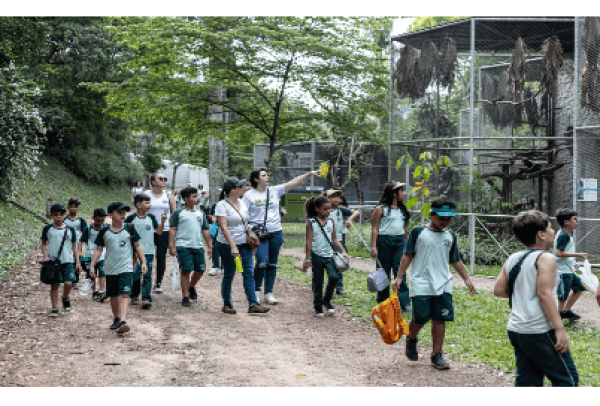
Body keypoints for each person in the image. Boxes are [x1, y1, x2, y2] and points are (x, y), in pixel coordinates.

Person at [494, 210, 578, 387]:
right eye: (549, 227)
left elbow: (499, 291)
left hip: (517, 330)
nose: (553, 231)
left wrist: (525, 291)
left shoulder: (513, 258)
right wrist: (559, 328)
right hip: (540, 330)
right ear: (540, 234)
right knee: (567, 379)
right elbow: (544, 293)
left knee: (528, 381)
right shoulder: (546, 257)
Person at [391, 197, 476, 370]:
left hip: (443, 283)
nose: (445, 222)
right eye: (441, 218)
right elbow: (407, 255)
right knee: (421, 317)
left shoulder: (450, 236)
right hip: (421, 282)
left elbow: (455, 260)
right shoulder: (417, 232)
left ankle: (437, 355)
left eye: (448, 219)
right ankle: (412, 337)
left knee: (440, 318)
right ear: (431, 214)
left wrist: (467, 279)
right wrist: (399, 277)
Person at [244, 168, 321, 305]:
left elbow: (293, 182)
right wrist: (248, 231)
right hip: (258, 233)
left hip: (275, 232)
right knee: (261, 262)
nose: (267, 177)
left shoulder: (274, 190)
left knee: (272, 264)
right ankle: (255, 292)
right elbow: (243, 215)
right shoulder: (249, 195)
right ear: (256, 179)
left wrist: (309, 174)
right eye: (263, 175)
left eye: (267, 175)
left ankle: (268, 293)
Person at [90, 201, 147, 335]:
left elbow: (138, 246)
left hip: (126, 268)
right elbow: (98, 249)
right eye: (119, 212)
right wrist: (92, 265)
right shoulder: (104, 231)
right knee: (113, 295)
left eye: (124, 213)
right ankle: (116, 318)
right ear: (110, 214)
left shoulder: (129, 229)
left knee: (124, 294)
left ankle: (123, 321)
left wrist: (143, 262)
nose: (122, 215)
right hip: (110, 268)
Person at [215, 177, 270, 314]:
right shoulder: (222, 205)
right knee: (229, 273)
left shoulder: (242, 203)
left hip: (244, 243)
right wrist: (233, 246)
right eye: (240, 186)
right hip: (227, 245)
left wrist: (252, 237)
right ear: (233, 190)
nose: (244, 187)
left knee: (248, 272)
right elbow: (223, 227)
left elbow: (245, 223)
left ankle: (253, 304)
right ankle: (227, 303)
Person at [303, 196, 349, 317]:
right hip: (316, 255)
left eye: (329, 210)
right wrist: (308, 259)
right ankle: (318, 306)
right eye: (325, 209)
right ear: (317, 209)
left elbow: (334, 238)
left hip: (329, 255)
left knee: (334, 277)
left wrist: (343, 251)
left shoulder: (331, 222)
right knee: (318, 281)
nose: (329, 212)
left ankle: (326, 301)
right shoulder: (311, 223)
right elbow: (308, 241)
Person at [370, 182, 411, 310]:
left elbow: (404, 228)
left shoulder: (402, 209)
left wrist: (408, 245)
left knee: (400, 271)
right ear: (394, 193)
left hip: (400, 242)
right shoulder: (380, 209)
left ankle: (404, 302)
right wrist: (373, 247)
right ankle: (383, 300)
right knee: (383, 271)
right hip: (384, 241)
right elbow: (375, 229)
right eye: (402, 191)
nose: (404, 193)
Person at [169, 186, 212, 307]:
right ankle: (185, 296)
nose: (197, 198)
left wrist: (210, 246)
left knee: (200, 270)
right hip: (183, 246)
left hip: (198, 245)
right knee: (186, 270)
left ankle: (192, 286)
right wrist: (171, 246)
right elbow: (172, 230)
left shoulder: (200, 213)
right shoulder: (178, 213)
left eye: (197, 196)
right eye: (194, 196)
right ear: (186, 199)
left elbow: (205, 230)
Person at [125, 193, 166, 310]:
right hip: (134, 252)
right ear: (138, 205)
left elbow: (159, 232)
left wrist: (163, 221)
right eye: (147, 202)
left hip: (148, 251)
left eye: (149, 202)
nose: (150, 204)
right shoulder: (131, 218)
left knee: (147, 274)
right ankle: (134, 295)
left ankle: (146, 298)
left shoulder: (151, 217)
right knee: (135, 274)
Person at [41, 204, 81, 317]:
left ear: (65, 215)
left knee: (68, 283)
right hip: (53, 262)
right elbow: (43, 244)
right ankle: (54, 308)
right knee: (54, 285)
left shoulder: (70, 229)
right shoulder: (47, 228)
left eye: (61, 215)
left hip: (68, 260)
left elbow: (74, 246)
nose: (59, 217)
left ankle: (65, 297)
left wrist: (77, 262)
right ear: (51, 216)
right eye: (56, 215)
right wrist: (45, 256)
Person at [145, 173, 176, 293]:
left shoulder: (169, 195)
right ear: (152, 181)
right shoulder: (145, 194)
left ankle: (158, 283)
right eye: (160, 179)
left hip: (164, 229)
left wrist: (174, 232)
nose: (163, 180)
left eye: (165, 179)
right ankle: (145, 280)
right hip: (148, 230)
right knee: (147, 256)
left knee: (161, 256)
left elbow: (174, 214)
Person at [554, 208, 587, 321]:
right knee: (562, 296)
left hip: (569, 270)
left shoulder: (566, 234)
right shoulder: (563, 235)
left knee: (579, 288)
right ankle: (558, 318)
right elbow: (558, 253)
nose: (577, 221)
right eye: (575, 219)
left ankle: (566, 311)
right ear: (566, 222)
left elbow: (565, 251)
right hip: (563, 272)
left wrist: (573, 263)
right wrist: (577, 254)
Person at [326, 190, 360, 296]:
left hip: (339, 240)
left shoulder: (340, 209)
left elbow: (356, 212)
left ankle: (339, 287)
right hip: (325, 241)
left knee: (339, 263)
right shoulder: (323, 210)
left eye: (337, 197)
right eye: (333, 197)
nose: (336, 199)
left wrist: (349, 219)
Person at [79, 208, 109, 302]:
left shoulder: (107, 228)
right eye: (97, 220)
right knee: (92, 274)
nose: (100, 222)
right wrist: (80, 251)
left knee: (102, 273)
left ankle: (101, 291)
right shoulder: (88, 229)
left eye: (102, 220)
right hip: (89, 255)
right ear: (93, 218)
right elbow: (81, 241)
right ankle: (94, 291)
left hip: (103, 255)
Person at [64, 197, 87, 290]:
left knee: (78, 261)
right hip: (66, 243)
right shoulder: (64, 219)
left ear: (78, 208)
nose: (73, 208)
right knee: (68, 261)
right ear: (68, 207)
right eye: (72, 206)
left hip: (77, 244)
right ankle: (68, 278)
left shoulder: (81, 220)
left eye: (76, 206)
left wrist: (84, 246)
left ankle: (75, 280)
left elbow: (85, 233)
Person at [208, 192, 222, 276]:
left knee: (226, 248)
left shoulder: (230, 205)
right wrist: (213, 218)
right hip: (216, 229)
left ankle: (224, 267)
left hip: (227, 229)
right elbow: (209, 214)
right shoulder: (215, 205)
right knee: (215, 247)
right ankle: (215, 267)